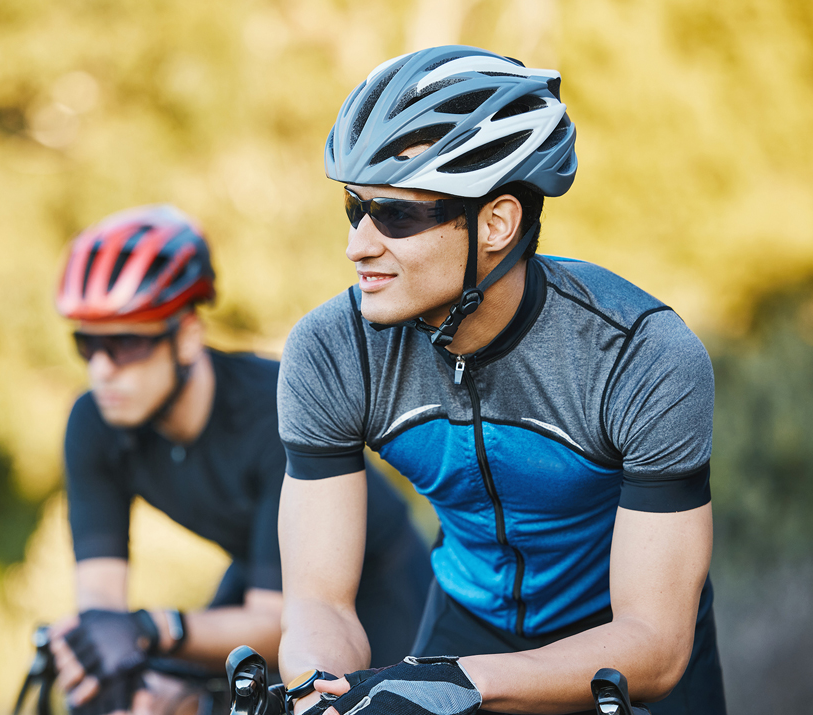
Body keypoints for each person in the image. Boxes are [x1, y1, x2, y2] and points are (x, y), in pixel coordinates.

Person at [276, 45, 726, 715]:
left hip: (621, 649)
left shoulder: (640, 354)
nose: (358, 244)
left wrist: (463, 682)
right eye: (355, 208)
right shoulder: (333, 351)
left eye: (396, 215)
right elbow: (318, 602)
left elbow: (655, 643)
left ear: (495, 222)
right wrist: (322, 692)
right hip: (468, 622)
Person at [49, 205, 432, 715]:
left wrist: (152, 630)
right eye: (87, 344)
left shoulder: (271, 409)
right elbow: (101, 605)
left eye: (124, 344)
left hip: (377, 585)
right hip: (262, 578)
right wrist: (105, 663)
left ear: (186, 338)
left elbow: (277, 623)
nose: (101, 370)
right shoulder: (94, 423)